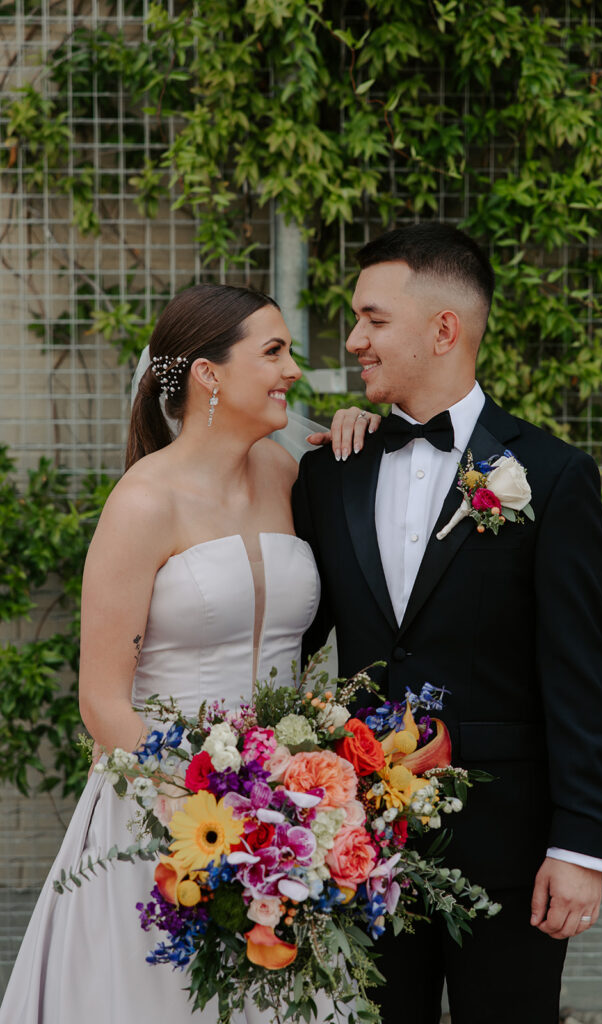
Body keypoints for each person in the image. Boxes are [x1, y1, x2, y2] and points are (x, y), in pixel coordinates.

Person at [292, 223, 602, 1024]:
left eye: (373, 319)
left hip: (508, 855)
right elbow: (291, 632)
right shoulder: (328, 473)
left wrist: (579, 847)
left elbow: (578, 673)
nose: (353, 340)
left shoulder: (549, 475)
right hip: (361, 846)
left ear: (443, 328)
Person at [0, 284, 347, 1024]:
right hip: (164, 806)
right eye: (274, 352)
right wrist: (202, 803)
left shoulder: (289, 476)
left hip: (285, 806)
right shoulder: (143, 501)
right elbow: (100, 701)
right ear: (208, 375)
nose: (292, 371)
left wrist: (276, 801)